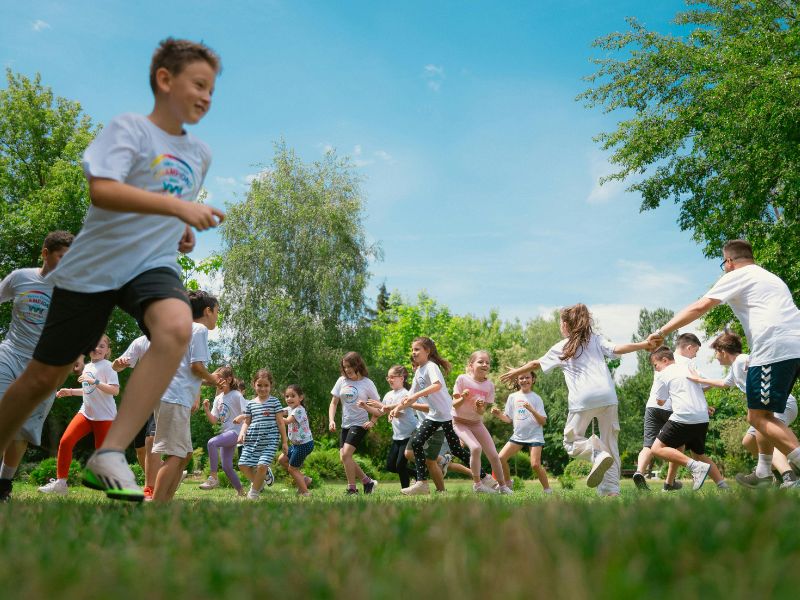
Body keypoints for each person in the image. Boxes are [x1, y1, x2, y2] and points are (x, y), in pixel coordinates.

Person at [0, 38, 224, 501]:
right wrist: (177, 209)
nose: (206, 96)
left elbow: (166, 205)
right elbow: (103, 190)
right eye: (198, 84)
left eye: (212, 89)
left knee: (176, 327)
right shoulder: (129, 129)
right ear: (165, 79)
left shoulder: (200, 153)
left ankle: (110, 453)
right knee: (42, 379)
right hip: (96, 262)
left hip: (150, 263)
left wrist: (181, 228)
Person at [648, 239, 800, 489]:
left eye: (723, 264)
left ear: (729, 262)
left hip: (773, 346)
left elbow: (700, 306)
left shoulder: (738, 275)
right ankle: (763, 472)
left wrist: (662, 331)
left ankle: (785, 471)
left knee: (759, 418)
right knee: (762, 416)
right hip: (793, 346)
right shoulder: (770, 278)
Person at [501, 304, 654, 496]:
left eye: (560, 323)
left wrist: (517, 371)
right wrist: (644, 344)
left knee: (571, 442)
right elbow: (617, 348)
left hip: (583, 399)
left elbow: (535, 364)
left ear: (566, 325)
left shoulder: (563, 346)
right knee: (610, 442)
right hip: (608, 397)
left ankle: (597, 454)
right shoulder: (596, 339)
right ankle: (611, 490)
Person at [0, 231, 73, 502]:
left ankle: (4, 484)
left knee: (22, 428)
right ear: (45, 253)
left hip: (45, 366)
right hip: (10, 354)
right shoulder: (20, 277)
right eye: (61, 257)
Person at [689, 332, 798, 488]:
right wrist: (699, 380)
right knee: (749, 442)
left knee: (770, 436)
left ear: (722, 351)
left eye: (716, 353)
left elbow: (759, 366)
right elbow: (723, 383)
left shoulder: (742, 360)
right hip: (773, 404)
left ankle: (789, 477)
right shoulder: (735, 367)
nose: (716, 357)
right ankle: (775, 474)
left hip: (779, 403)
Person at [151, 290, 220, 502]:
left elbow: (188, 372)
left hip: (168, 396)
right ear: (207, 311)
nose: (217, 317)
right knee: (176, 454)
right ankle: (157, 505)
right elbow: (196, 367)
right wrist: (213, 378)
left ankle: (165, 501)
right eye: (217, 311)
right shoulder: (199, 329)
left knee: (185, 453)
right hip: (175, 398)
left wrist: (209, 379)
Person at [390, 337, 483, 496]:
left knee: (457, 450)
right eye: (412, 350)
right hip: (435, 416)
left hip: (446, 415)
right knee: (417, 442)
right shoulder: (419, 371)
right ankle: (422, 483)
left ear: (427, 351)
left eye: (417, 349)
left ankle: (484, 477)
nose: (413, 352)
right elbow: (410, 395)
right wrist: (398, 407)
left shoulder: (431, 367)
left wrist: (415, 396)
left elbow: (437, 385)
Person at [38, 334, 119, 495]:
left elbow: (115, 390)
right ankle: (61, 484)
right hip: (86, 414)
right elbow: (89, 391)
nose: (97, 349)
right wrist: (70, 391)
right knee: (66, 442)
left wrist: (94, 381)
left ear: (107, 351)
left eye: (102, 346)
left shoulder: (109, 366)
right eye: (94, 345)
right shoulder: (87, 367)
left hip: (105, 417)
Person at [649, 346, 728, 491]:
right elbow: (706, 383)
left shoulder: (663, 374)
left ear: (665, 360)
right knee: (699, 455)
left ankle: (695, 467)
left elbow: (660, 401)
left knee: (657, 448)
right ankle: (723, 486)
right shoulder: (689, 368)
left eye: (655, 365)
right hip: (702, 417)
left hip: (683, 417)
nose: (656, 369)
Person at [633, 333, 704, 492]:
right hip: (673, 408)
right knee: (679, 445)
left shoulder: (660, 360)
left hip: (652, 407)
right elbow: (698, 385)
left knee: (648, 445)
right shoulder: (683, 363)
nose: (695, 355)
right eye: (695, 351)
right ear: (688, 348)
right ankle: (669, 482)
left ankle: (639, 472)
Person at [451, 350, 511, 494]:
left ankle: (503, 487)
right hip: (459, 422)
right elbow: (455, 405)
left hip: (476, 423)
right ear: (471, 365)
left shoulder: (489, 385)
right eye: (480, 362)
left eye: (487, 363)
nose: (485, 364)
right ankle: (478, 485)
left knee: (494, 455)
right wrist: (463, 397)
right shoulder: (462, 379)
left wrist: (479, 407)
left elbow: (481, 412)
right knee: (475, 448)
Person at [112, 334, 159, 499]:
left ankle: (150, 488)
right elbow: (117, 366)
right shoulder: (140, 342)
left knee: (151, 439)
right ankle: (164, 476)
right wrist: (117, 364)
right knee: (140, 449)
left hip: (162, 396)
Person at [491, 370, 552, 494]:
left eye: (527, 377)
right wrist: (499, 415)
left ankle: (547, 490)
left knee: (535, 465)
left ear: (533, 380)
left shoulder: (536, 398)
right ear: (517, 381)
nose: (524, 380)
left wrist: (531, 410)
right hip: (518, 436)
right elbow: (508, 419)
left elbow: (543, 421)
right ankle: (508, 483)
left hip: (535, 436)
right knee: (500, 457)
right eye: (521, 378)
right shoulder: (512, 397)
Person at [329, 352, 381, 495]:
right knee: (344, 458)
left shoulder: (367, 383)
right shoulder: (341, 381)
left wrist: (372, 421)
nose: (347, 369)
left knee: (346, 455)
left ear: (357, 365)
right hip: (345, 424)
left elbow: (379, 407)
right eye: (344, 367)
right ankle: (368, 482)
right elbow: (334, 403)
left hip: (360, 424)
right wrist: (331, 420)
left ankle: (352, 489)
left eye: (349, 366)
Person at [236, 369, 287, 500]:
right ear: (254, 385)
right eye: (259, 385)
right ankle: (259, 482)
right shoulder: (250, 404)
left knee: (262, 465)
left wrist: (284, 442)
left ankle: (254, 493)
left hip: (270, 439)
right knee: (242, 465)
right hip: (252, 439)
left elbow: (281, 423)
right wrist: (242, 433)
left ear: (271, 386)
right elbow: (247, 422)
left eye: (266, 385)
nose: (263, 388)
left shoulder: (275, 402)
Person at [367, 365, 417, 490]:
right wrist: (365, 407)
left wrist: (381, 406)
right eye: (388, 377)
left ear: (402, 378)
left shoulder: (405, 394)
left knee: (400, 465)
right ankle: (417, 474)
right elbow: (380, 412)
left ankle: (405, 490)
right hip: (397, 436)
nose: (389, 379)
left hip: (409, 433)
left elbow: (398, 413)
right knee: (390, 466)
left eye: (392, 377)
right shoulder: (389, 395)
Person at [199, 366, 246, 496]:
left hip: (236, 432)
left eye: (219, 378)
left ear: (229, 379)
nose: (216, 381)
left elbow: (248, 413)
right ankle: (241, 492)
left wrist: (240, 417)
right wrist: (207, 410)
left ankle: (213, 477)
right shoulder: (218, 399)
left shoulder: (236, 395)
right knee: (227, 467)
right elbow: (214, 420)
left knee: (212, 443)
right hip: (227, 433)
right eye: (215, 379)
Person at [276, 384, 314, 497]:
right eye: (287, 396)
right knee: (282, 459)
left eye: (293, 396)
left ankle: (305, 492)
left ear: (300, 398)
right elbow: (279, 412)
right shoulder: (290, 408)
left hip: (304, 444)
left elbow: (287, 421)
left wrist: (277, 417)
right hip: (297, 444)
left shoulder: (299, 410)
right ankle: (304, 479)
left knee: (292, 469)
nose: (289, 399)